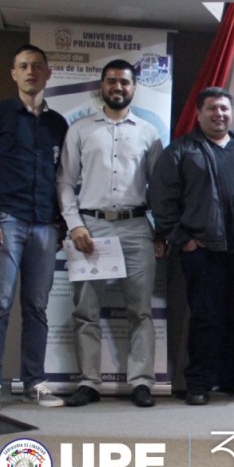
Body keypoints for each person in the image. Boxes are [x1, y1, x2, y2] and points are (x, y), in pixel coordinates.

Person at [148, 87, 234, 405]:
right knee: (207, 320)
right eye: (211, 108)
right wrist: (185, 241)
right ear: (199, 114)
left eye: (224, 108)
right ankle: (199, 383)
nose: (218, 114)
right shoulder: (181, 151)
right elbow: (161, 201)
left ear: (231, 112)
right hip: (205, 253)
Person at [57, 59, 164, 408]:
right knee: (86, 310)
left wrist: (160, 230)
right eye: (112, 81)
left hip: (135, 228)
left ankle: (141, 382)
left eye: (125, 82)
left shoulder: (148, 132)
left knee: (141, 311)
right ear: (101, 86)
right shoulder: (80, 129)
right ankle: (89, 382)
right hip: (92, 229)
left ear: (134, 88)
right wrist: (75, 225)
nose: (118, 87)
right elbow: (65, 182)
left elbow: (160, 188)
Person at [0, 44, 68, 410]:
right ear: (14, 74)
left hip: (44, 226)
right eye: (24, 66)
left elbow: (62, 178)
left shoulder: (58, 124)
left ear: (47, 74)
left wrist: (59, 224)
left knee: (37, 307)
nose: (31, 71)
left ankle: (35, 381)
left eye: (37, 66)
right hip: (5, 220)